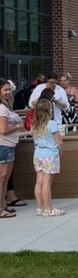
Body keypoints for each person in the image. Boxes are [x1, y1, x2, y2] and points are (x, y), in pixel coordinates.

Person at [30, 94, 65, 217]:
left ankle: (40, 207)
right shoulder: (52, 124)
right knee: (47, 182)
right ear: (49, 110)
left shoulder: (34, 124)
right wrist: (61, 151)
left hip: (38, 154)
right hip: (50, 155)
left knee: (39, 181)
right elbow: (59, 142)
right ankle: (48, 208)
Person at [0, 78, 24, 218]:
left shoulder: (6, 106)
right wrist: (18, 126)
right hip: (4, 146)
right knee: (2, 178)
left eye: (9, 89)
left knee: (5, 178)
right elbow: (3, 130)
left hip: (8, 145)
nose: (8, 92)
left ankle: (3, 204)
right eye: (5, 90)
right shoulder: (2, 108)